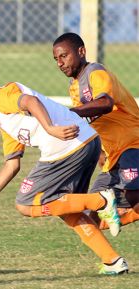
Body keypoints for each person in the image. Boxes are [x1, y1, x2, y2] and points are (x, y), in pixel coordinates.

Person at [0, 67, 127, 275]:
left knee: (24, 203)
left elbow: (31, 102)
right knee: (67, 209)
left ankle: (100, 201)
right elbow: (12, 164)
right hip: (84, 143)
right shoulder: (1, 116)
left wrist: (50, 128)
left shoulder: (1, 97)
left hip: (68, 148)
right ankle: (113, 261)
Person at [52, 32, 139, 230]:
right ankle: (111, 260)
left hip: (132, 142)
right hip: (112, 155)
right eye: (56, 59)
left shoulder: (95, 72)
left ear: (81, 51)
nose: (60, 63)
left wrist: (71, 112)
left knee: (133, 194)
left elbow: (105, 103)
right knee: (94, 215)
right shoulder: (74, 86)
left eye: (64, 56)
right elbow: (89, 121)